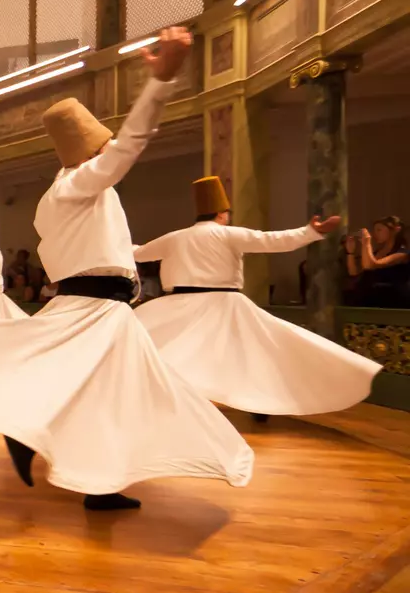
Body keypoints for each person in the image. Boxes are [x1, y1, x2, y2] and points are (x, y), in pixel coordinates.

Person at [0, 27, 253, 512]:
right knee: (120, 392)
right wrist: (160, 82)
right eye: (102, 144)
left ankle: (91, 478)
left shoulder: (63, 197)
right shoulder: (80, 184)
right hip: (96, 307)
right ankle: (57, 452)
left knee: (105, 394)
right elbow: (128, 149)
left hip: (96, 304)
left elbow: (108, 246)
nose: (108, 150)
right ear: (91, 149)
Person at [134, 175, 379, 417]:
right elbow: (272, 241)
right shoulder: (227, 234)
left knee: (170, 350)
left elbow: (139, 253)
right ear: (222, 214)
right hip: (223, 305)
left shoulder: (175, 237)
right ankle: (258, 402)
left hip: (179, 305)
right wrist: (309, 232)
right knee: (252, 355)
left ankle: (164, 400)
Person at [349, 216, 409, 307]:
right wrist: (350, 252)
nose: (375, 234)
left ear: (395, 230)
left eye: (379, 230)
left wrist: (367, 243)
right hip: (371, 300)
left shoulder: (402, 253)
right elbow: (354, 272)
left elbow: (372, 265)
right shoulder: (376, 253)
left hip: (392, 302)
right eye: (374, 230)